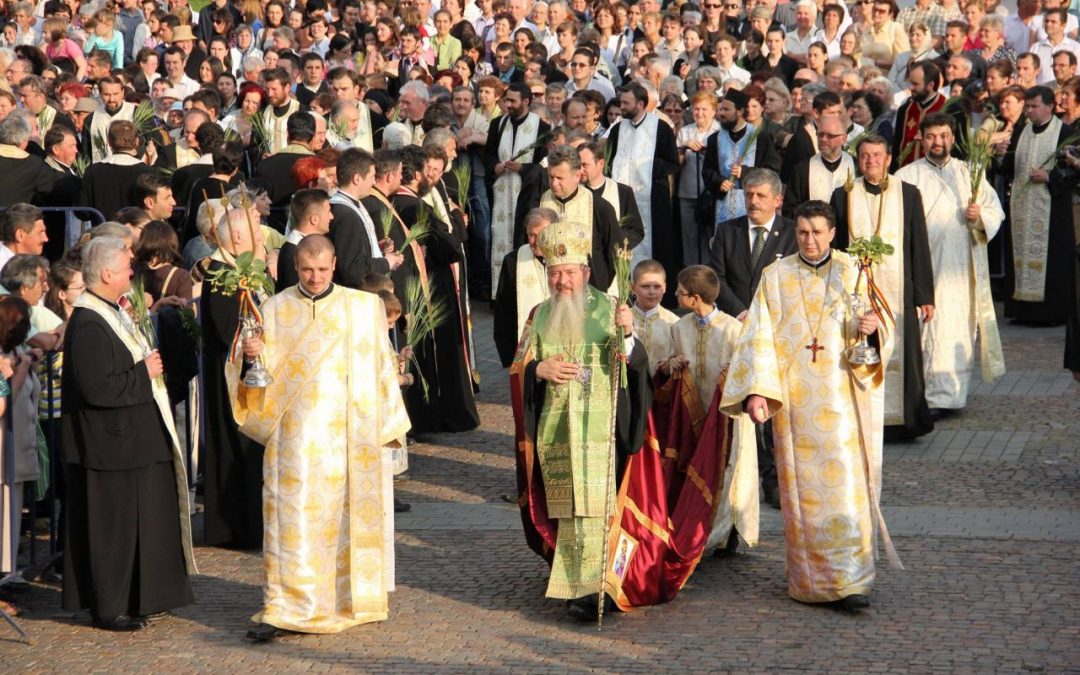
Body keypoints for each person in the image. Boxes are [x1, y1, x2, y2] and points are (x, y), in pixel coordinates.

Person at [720, 200, 899, 611]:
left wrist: (871, 331)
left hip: (843, 402)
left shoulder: (853, 272)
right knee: (801, 494)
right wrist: (757, 393)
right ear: (793, 232)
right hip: (795, 406)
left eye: (818, 232)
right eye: (803, 232)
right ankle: (811, 580)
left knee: (846, 490)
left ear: (832, 232)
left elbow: (878, 330)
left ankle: (852, 580)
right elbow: (759, 335)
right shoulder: (776, 275)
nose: (811, 240)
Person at [229, 234, 409, 641]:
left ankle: (347, 598)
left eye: (322, 270)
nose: (314, 278)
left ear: (335, 263)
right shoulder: (273, 309)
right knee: (290, 524)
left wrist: (389, 429)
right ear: (296, 267)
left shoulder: (361, 308)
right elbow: (255, 376)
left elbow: (382, 368)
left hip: (349, 437)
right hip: (292, 441)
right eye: (307, 270)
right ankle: (284, 607)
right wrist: (250, 353)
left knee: (342, 524)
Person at [508, 219, 651, 621]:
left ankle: (596, 587)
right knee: (568, 509)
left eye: (569, 272)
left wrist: (627, 336)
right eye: (555, 273)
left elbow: (637, 366)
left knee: (598, 509)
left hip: (603, 433)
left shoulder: (611, 309)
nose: (562, 281)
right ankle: (574, 582)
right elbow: (518, 363)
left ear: (585, 272)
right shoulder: (539, 314)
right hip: (556, 430)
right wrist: (539, 369)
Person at [62, 236, 195, 631]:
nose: (132, 273)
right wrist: (144, 372)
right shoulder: (87, 322)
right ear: (105, 274)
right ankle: (110, 604)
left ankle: (141, 596)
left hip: (134, 439)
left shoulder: (109, 311)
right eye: (125, 268)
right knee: (114, 529)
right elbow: (97, 387)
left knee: (144, 520)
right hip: (109, 445)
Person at [895, 113, 1005, 416]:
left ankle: (950, 396)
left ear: (953, 139)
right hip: (924, 264)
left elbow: (994, 211)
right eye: (931, 137)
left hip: (960, 267)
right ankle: (927, 396)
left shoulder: (970, 172)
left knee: (955, 328)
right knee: (926, 330)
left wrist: (978, 216)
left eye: (943, 136)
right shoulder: (907, 176)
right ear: (921, 139)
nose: (938, 142)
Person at [830, 134, 936, 441]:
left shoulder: (908, 194)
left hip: (898, 291)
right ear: (858, 159)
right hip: (857, 293)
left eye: (877, 155)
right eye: (865, 156)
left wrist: (924, 295)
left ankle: (906, 422)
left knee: (904, 356)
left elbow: (918, 244)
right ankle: (863, 419)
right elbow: (836, 246)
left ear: (889, 159)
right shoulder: (843, 195)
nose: (871, 161)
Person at [659, 265, 758, 557]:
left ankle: (723, 532)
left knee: (727, 470)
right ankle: (696, 530)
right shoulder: (679, 327)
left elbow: (750, 371)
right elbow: (666, 363)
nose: (675, 294)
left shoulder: (733, 330)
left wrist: (733, 375)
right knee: (694, 468)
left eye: (680, 291)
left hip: (727, 417)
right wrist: (672, 365)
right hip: (692, 414)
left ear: (695, 298)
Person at [199, 206, 272, 549]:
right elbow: (226, 328)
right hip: (230, 377)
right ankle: (235, 527)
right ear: (239, 237)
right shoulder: (220, 273)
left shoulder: (238, 269)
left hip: (242, 374)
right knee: (235, 449)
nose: (261, 237)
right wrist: (250, 342)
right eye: (256, 231)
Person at [1000, 85, 1079, 325]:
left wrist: (1049, 177)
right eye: (1028, 107)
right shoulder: (1022, 130)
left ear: (1049, 106)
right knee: (1020, 255)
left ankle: (1050, 313)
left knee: (1052, 260)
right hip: (1022, 206)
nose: (1030, 112)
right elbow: (1008, 166)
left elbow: (1074, 172)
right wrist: (995, 155)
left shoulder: (1065, 131)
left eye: (1035, 107)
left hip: (1052, 207)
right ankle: (1022, 310)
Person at [607, 81, 680, 290]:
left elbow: (672, 163)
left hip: (652, 198)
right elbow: (609, 160)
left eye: (626, 103)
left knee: (656, 243)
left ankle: (653, 288)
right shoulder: (617, 129)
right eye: (621, 102)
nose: (622, 107)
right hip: (622, 198)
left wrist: (648, 167)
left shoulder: (661, 128)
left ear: (640, 104)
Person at [483, 82, 551, 293]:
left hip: (526, 195)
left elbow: (544, 165)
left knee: (522, 237)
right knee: (500, 237)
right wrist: (495, 165)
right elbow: (489, 153)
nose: (508, 105)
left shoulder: (542, 127)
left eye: (512, 101)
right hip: (501, 192)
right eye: (506, 100)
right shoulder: (498, 124)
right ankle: (499, 291)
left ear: (526, 102)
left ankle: (523, 289)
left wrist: (523, 168)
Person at [701, 88, 783, 227]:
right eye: (721, 110)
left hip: (754, 204)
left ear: (739, 112)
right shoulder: (715, 139)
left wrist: (745, 173)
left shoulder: (760, 137)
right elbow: (708, 170)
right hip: (723, 205)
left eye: (726, 110)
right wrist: (719, 182)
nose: (721, 113)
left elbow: (772, 170)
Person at [328, 149, 403, 288]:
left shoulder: (348, 206)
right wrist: (386, 263)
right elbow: (351, 270)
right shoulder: (346, 215)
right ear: (357, 179)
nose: (374, 182)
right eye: (372, 177)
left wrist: (374, 248)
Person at [493, 206, 555, 367]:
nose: (534, 241)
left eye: (540, 235)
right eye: (531, 235)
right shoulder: (513, 261)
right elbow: (503, 312)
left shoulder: (569, 257)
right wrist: (509, 358)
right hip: (526, 356)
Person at [79, 121, 157, 221]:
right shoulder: (147, 172)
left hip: (104, 232)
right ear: (137, 141)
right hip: (137, 232)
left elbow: (83, 212)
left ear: (109, 141)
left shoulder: (92, 171)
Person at [783, 115, 856, 219]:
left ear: (844, 138)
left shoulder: (856, 166)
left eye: (830, 136)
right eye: (820, 134)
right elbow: (790, 209)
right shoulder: (803, 169)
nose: (823, 139)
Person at [891, 61, 947, 170]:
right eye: (910, 83)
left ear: (930, 85)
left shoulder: (948, 109)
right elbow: (897, 146)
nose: (910, 88)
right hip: (906, 174)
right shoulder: (905, 109)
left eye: (915, 84)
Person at [629, 259, 678, 376]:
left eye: (657, 286)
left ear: (664, 287)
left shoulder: (674, 323)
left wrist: (670, 364)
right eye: (645, 286)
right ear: (632, 287)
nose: (651, 292)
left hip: (661, 388)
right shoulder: (622, 318)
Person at [278, 189, 333, 289]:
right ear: (314, 219)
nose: (332, 216)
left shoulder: (299, 247)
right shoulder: (294, 252)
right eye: (328, 211)